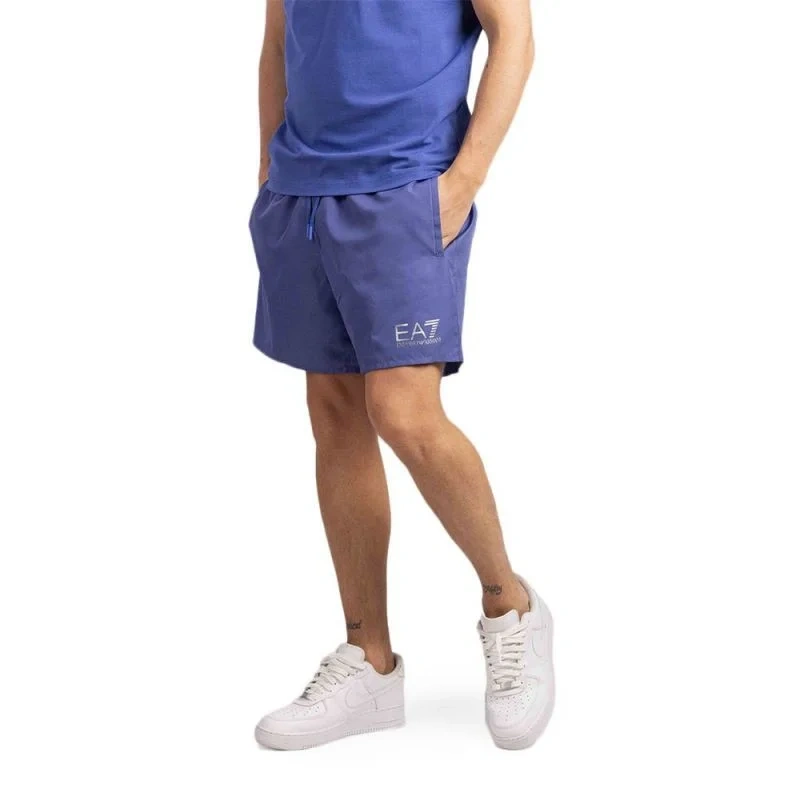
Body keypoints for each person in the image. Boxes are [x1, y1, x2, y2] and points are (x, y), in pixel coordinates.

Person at [250, 0, 553, 751]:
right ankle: (371, 662)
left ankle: (510, 607)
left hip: (406, 186)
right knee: (334, 414)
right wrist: (267, 168)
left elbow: (513, 33)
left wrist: (463, 180)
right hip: (302, 191)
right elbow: (278, 40)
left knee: (404, 412)